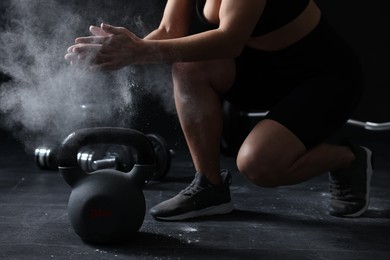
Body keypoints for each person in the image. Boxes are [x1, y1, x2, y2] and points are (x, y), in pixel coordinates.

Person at [65, 0, 373, 221]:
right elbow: (171, 30)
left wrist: (137, 52)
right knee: (187, 66)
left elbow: (229, 42)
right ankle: (209, 187)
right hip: (262, 72)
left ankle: (348, 159)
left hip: (324, 77)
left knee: (259, 166)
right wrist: (120, 52)